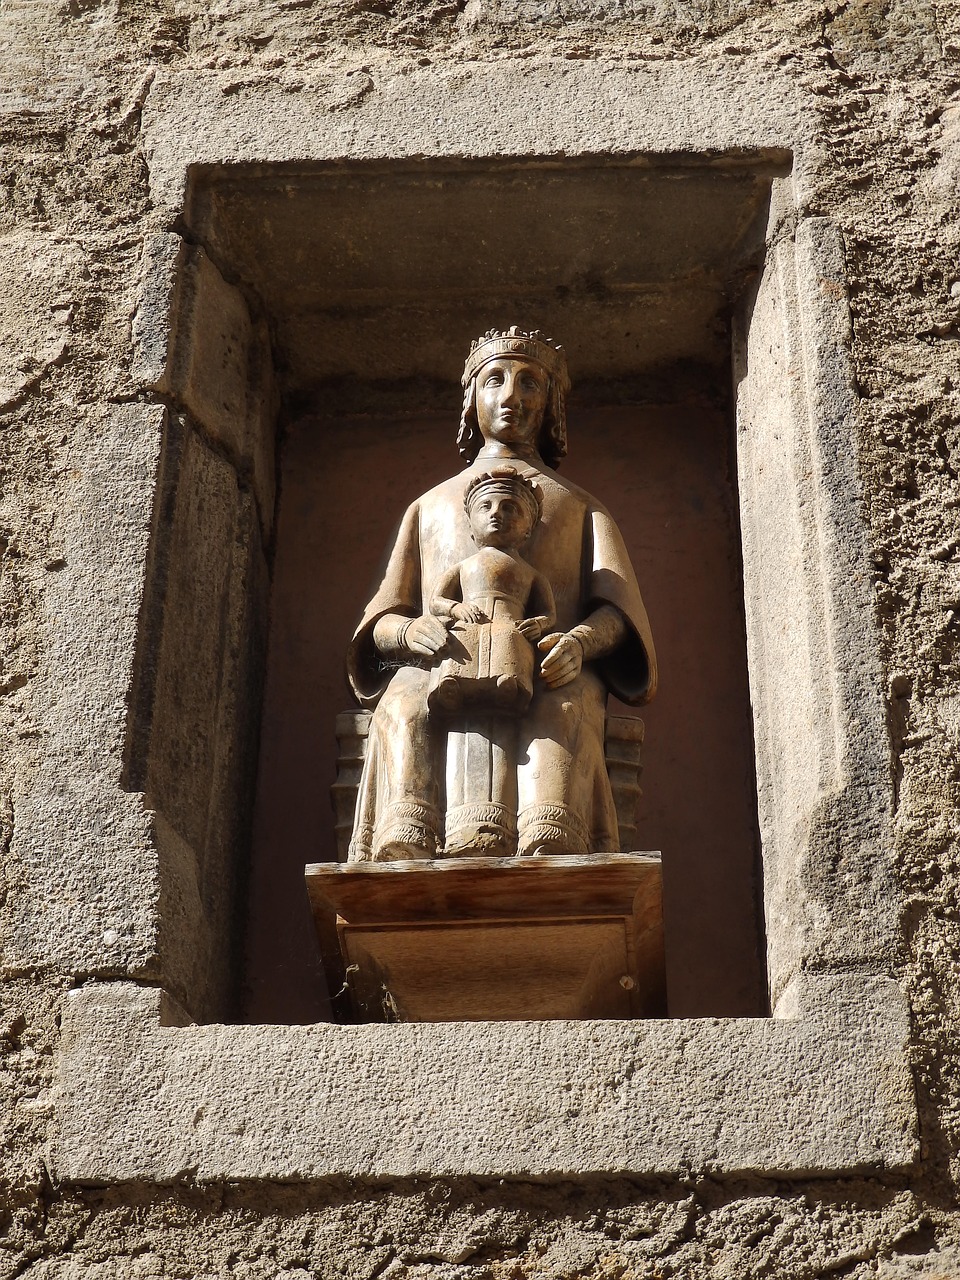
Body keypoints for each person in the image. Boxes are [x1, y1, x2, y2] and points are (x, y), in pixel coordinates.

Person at [346, 326, 657, 861]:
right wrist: (410, 630)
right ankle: (405, 834)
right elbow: (381, 619)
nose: (512, 396)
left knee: (565, 701)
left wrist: (580, 643)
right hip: (441, 658)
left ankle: (551, 832)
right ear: (472, 398)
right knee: (403, 700)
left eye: (530, 383)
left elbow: (617, 610)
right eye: (495, 380)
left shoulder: (581, 507)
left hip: (545, 660)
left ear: (551, 404)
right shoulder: (429, 507)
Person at [427, 466, 555, 716]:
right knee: (459, 638)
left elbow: (549, 613)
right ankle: (450, 684)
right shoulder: (463, 566)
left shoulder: (531, 573)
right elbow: (436, 600)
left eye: (510, 508)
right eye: (486, 507)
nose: (497, 513)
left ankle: (508, 684)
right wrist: (456, 608)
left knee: (510, 639)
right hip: (469, 619)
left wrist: (539, 624)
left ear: (528, 530)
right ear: (471, 529)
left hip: (510, 621)